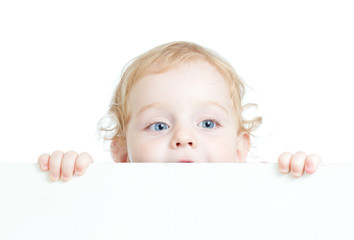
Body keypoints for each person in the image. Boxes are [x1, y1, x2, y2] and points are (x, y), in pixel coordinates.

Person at [37, 41, 321, 182]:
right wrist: (68, 178)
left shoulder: (258, 193)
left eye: (208, 123)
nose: (184, 138)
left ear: (239, 149)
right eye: (159, 125)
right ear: (122, 153)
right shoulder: (112, 201)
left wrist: (294, 180)